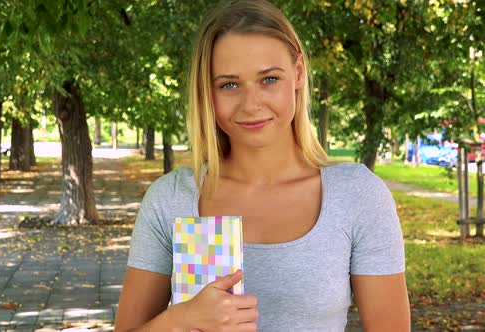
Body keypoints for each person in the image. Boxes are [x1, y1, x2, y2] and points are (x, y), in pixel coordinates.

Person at [115, 0, 410, 331]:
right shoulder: (171, 199)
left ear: (298, 72)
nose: (251, 104)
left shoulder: (357, 195)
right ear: (206, 92)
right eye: (229, 84)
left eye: (269, 79)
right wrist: (178, 319)